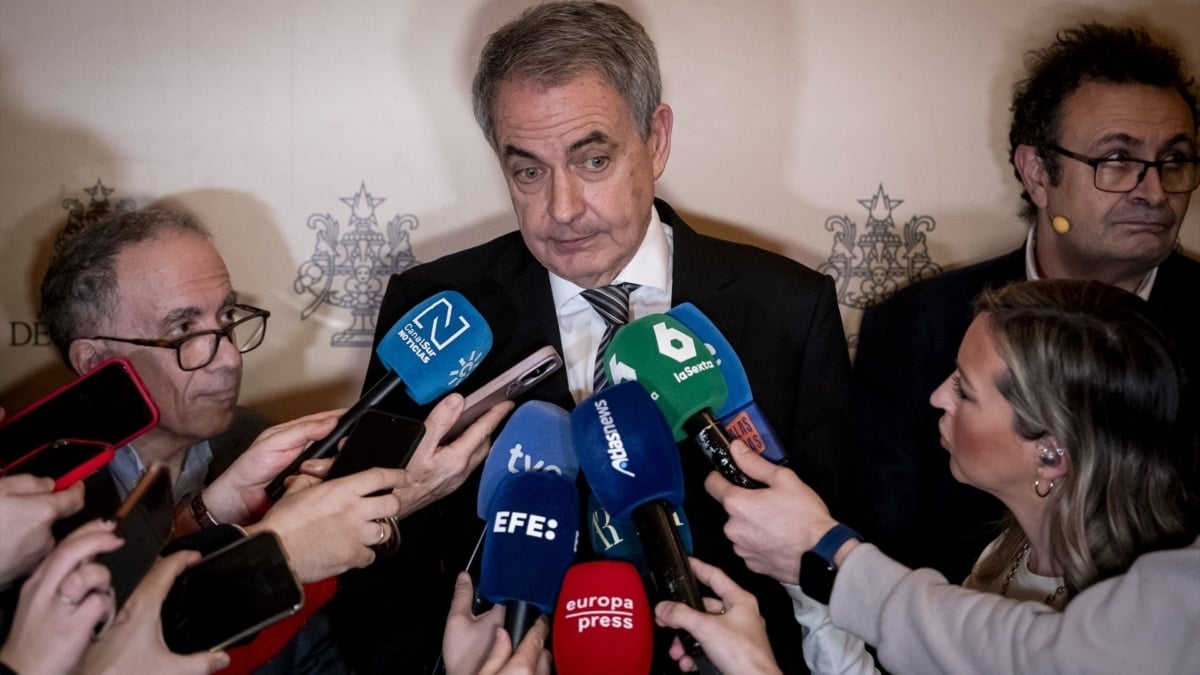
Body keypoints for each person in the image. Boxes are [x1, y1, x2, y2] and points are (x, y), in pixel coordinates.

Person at [331, 2, 854, 671]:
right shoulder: (434, 311)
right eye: (529, 171)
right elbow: (379, 559)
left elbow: (835, 549)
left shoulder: (789, 309)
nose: (562, 209)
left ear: (655, 140)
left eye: (594, 160)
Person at [36, 207, 511, 671]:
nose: (229, 358)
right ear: (96, 363)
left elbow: (316, 654)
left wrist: (217, 515)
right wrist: (343, 527)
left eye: (227, 317)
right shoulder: (30, 507)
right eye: (183, 330)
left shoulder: (256, 448)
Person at [852, 22, 1200, 582]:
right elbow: (891, 546)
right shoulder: (916, 327)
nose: (1155, 192)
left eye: (1175, 160)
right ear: (1037, 173)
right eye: (1117, 159)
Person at [707, 279, 1195, 673]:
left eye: (966, 390)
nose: (938, 396)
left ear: (1051, 454)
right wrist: (804, 577)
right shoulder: (1009, 552)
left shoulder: (1130, 618)